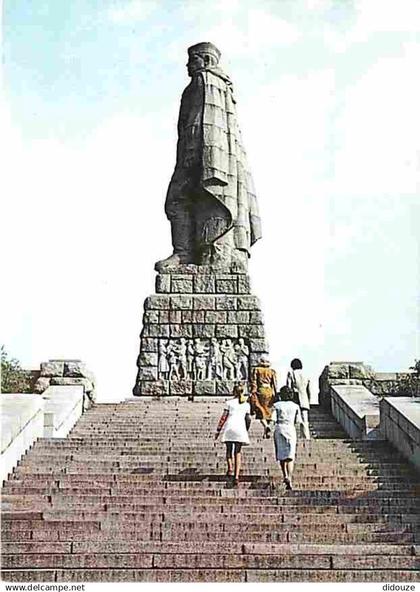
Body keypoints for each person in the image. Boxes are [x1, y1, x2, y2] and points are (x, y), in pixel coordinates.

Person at [155, 42, 262, 271]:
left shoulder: (206, 81)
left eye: (192, 60)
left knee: (178, 200)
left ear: (205, 61)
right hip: (211, 158)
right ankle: (191, 253)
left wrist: (199, 162)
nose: (187, 65)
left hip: (201, 156)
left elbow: (204, 124)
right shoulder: (223, 87)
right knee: (190, 201)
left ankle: (186, 254)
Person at [215, 383, 251, 488]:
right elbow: (248, 419)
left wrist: (218, 430)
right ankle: (236, 475)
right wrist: (246, 429)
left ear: (233, 392)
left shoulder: (229, 403)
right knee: (238, 452)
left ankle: (230, 468)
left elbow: (224, 417)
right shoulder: (246, 404)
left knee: (229, 450)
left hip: (230, 427)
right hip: (240, 428)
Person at [272, 385, 303, 490]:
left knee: (281, 454)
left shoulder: (276, 405)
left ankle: (284, 474)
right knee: (290, 455)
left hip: (279, 427)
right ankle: (289, 476)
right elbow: (298, 421)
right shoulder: (295, 406)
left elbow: (272, 419)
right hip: (290, 428)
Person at [250, 355, 277, 438]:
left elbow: (254, 382)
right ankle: (267, 431)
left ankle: (266, 427)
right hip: (269, 391)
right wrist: (275, 393)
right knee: (269, 411)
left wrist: (253, 391)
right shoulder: (272, 371)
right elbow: (275, 384)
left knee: (260, 411)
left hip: (261, 390)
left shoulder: (257, 370)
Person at [286, 358, 311, 440]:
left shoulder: (291, 373)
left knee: (292, 420)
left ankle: (293, 437)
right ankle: (306, 437)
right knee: (305, 420)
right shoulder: (306, 374)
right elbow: (308, 389)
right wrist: (309, 400)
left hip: (294, 399)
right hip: (304, 398)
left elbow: (289, 387)